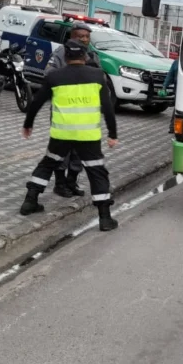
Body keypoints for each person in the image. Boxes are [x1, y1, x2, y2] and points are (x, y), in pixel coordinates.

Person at [20, 40, 119, 231]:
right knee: (96, 172)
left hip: (61, 133)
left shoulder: (54, 76)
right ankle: (105, 218)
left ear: (65, 57)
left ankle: (30, 201)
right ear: (84, 57)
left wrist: (28, 124)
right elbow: (107, 107)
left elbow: (37, 102)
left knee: (48, 163)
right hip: (88, 136)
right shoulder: (97, 75)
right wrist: (112, 133)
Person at [43, 22, 99, 197]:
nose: (83, 39)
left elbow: (100, 76)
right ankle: (59, 184)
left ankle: (71, 182)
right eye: (79, 36)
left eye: (86, 37)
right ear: (71, 37)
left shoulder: (91, 54)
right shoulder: (61, 53)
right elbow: (49, 74)